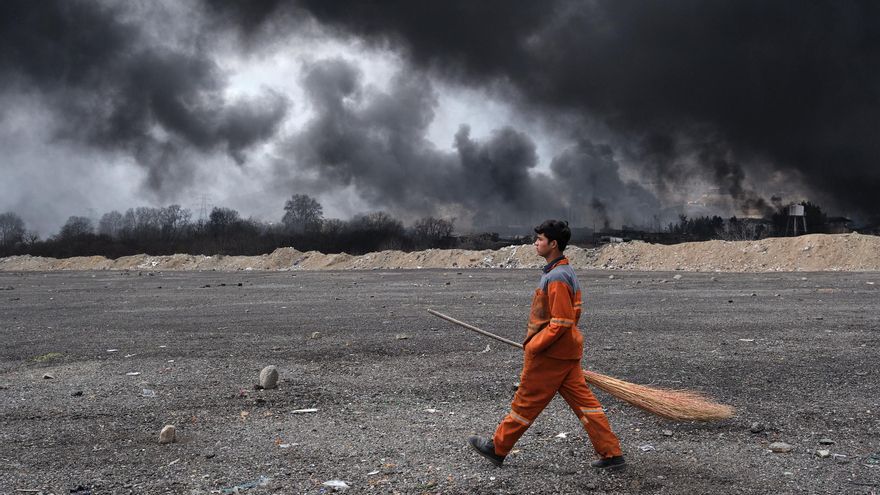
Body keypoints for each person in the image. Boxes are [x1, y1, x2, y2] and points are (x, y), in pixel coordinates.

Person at [468, 219, 626, 470]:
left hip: (550, 355)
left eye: (540, 239)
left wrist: (534, 345)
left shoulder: (557, 277)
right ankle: (612, 454)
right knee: (587, 406)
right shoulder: (564, 271)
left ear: (553, 244)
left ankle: (497, 449)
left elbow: (561, 322)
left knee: (525, 403)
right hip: (566, 353)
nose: (535, 243)